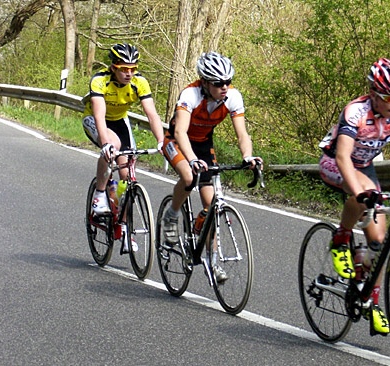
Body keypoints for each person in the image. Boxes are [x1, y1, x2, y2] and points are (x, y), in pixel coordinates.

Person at [318, 58, 390, 335]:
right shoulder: (355, 112)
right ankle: (341, 237)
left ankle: (369, 298)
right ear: (373, 93)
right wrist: (361, 194)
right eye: (389, 97)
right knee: (365, 197)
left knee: (380, 241)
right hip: (335, 162)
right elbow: (343, 157)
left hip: (365, 167)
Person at [161, 51, 262, 282]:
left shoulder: (233, 97)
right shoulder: (191, 94)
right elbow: (180, 132)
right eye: (219, 83)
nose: (225, 87)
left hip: (204, 144)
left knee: (212, 205)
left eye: (228, 81)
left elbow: (242, 134)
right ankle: (171, 215)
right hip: (178, 141)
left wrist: (247, 156)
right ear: (205, 82)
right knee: (188, 178)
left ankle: (211, 259)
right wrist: (191, 159)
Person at [82, 43, 165, 253]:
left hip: (120, 121)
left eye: (133, 69)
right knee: (114, 146)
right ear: (113, 68)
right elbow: (99, 115)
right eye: (124, 69)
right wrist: (106, 144)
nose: (129, 74)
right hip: (96, 120)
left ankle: (125, 229)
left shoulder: (140, 83)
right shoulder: (100, 80)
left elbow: (152, 115)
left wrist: (162, 141)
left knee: (128, 176)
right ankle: (100, 194)